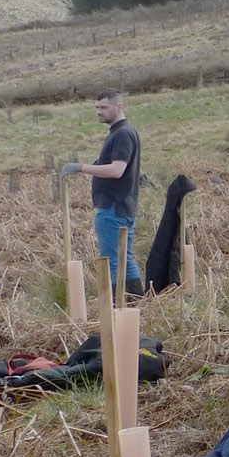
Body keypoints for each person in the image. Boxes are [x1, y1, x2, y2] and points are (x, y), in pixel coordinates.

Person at [61, 89, 143, 300]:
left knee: (113, 262)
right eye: (97, 107)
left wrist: (80, 167)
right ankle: (136, 306)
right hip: (123, 205)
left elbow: (117, 170)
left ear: (119, 106)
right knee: (124, 258)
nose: (99, 111)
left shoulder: (122, 134)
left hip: (113, 207)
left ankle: (118, 309)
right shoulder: (124, 131)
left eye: (104, 107)